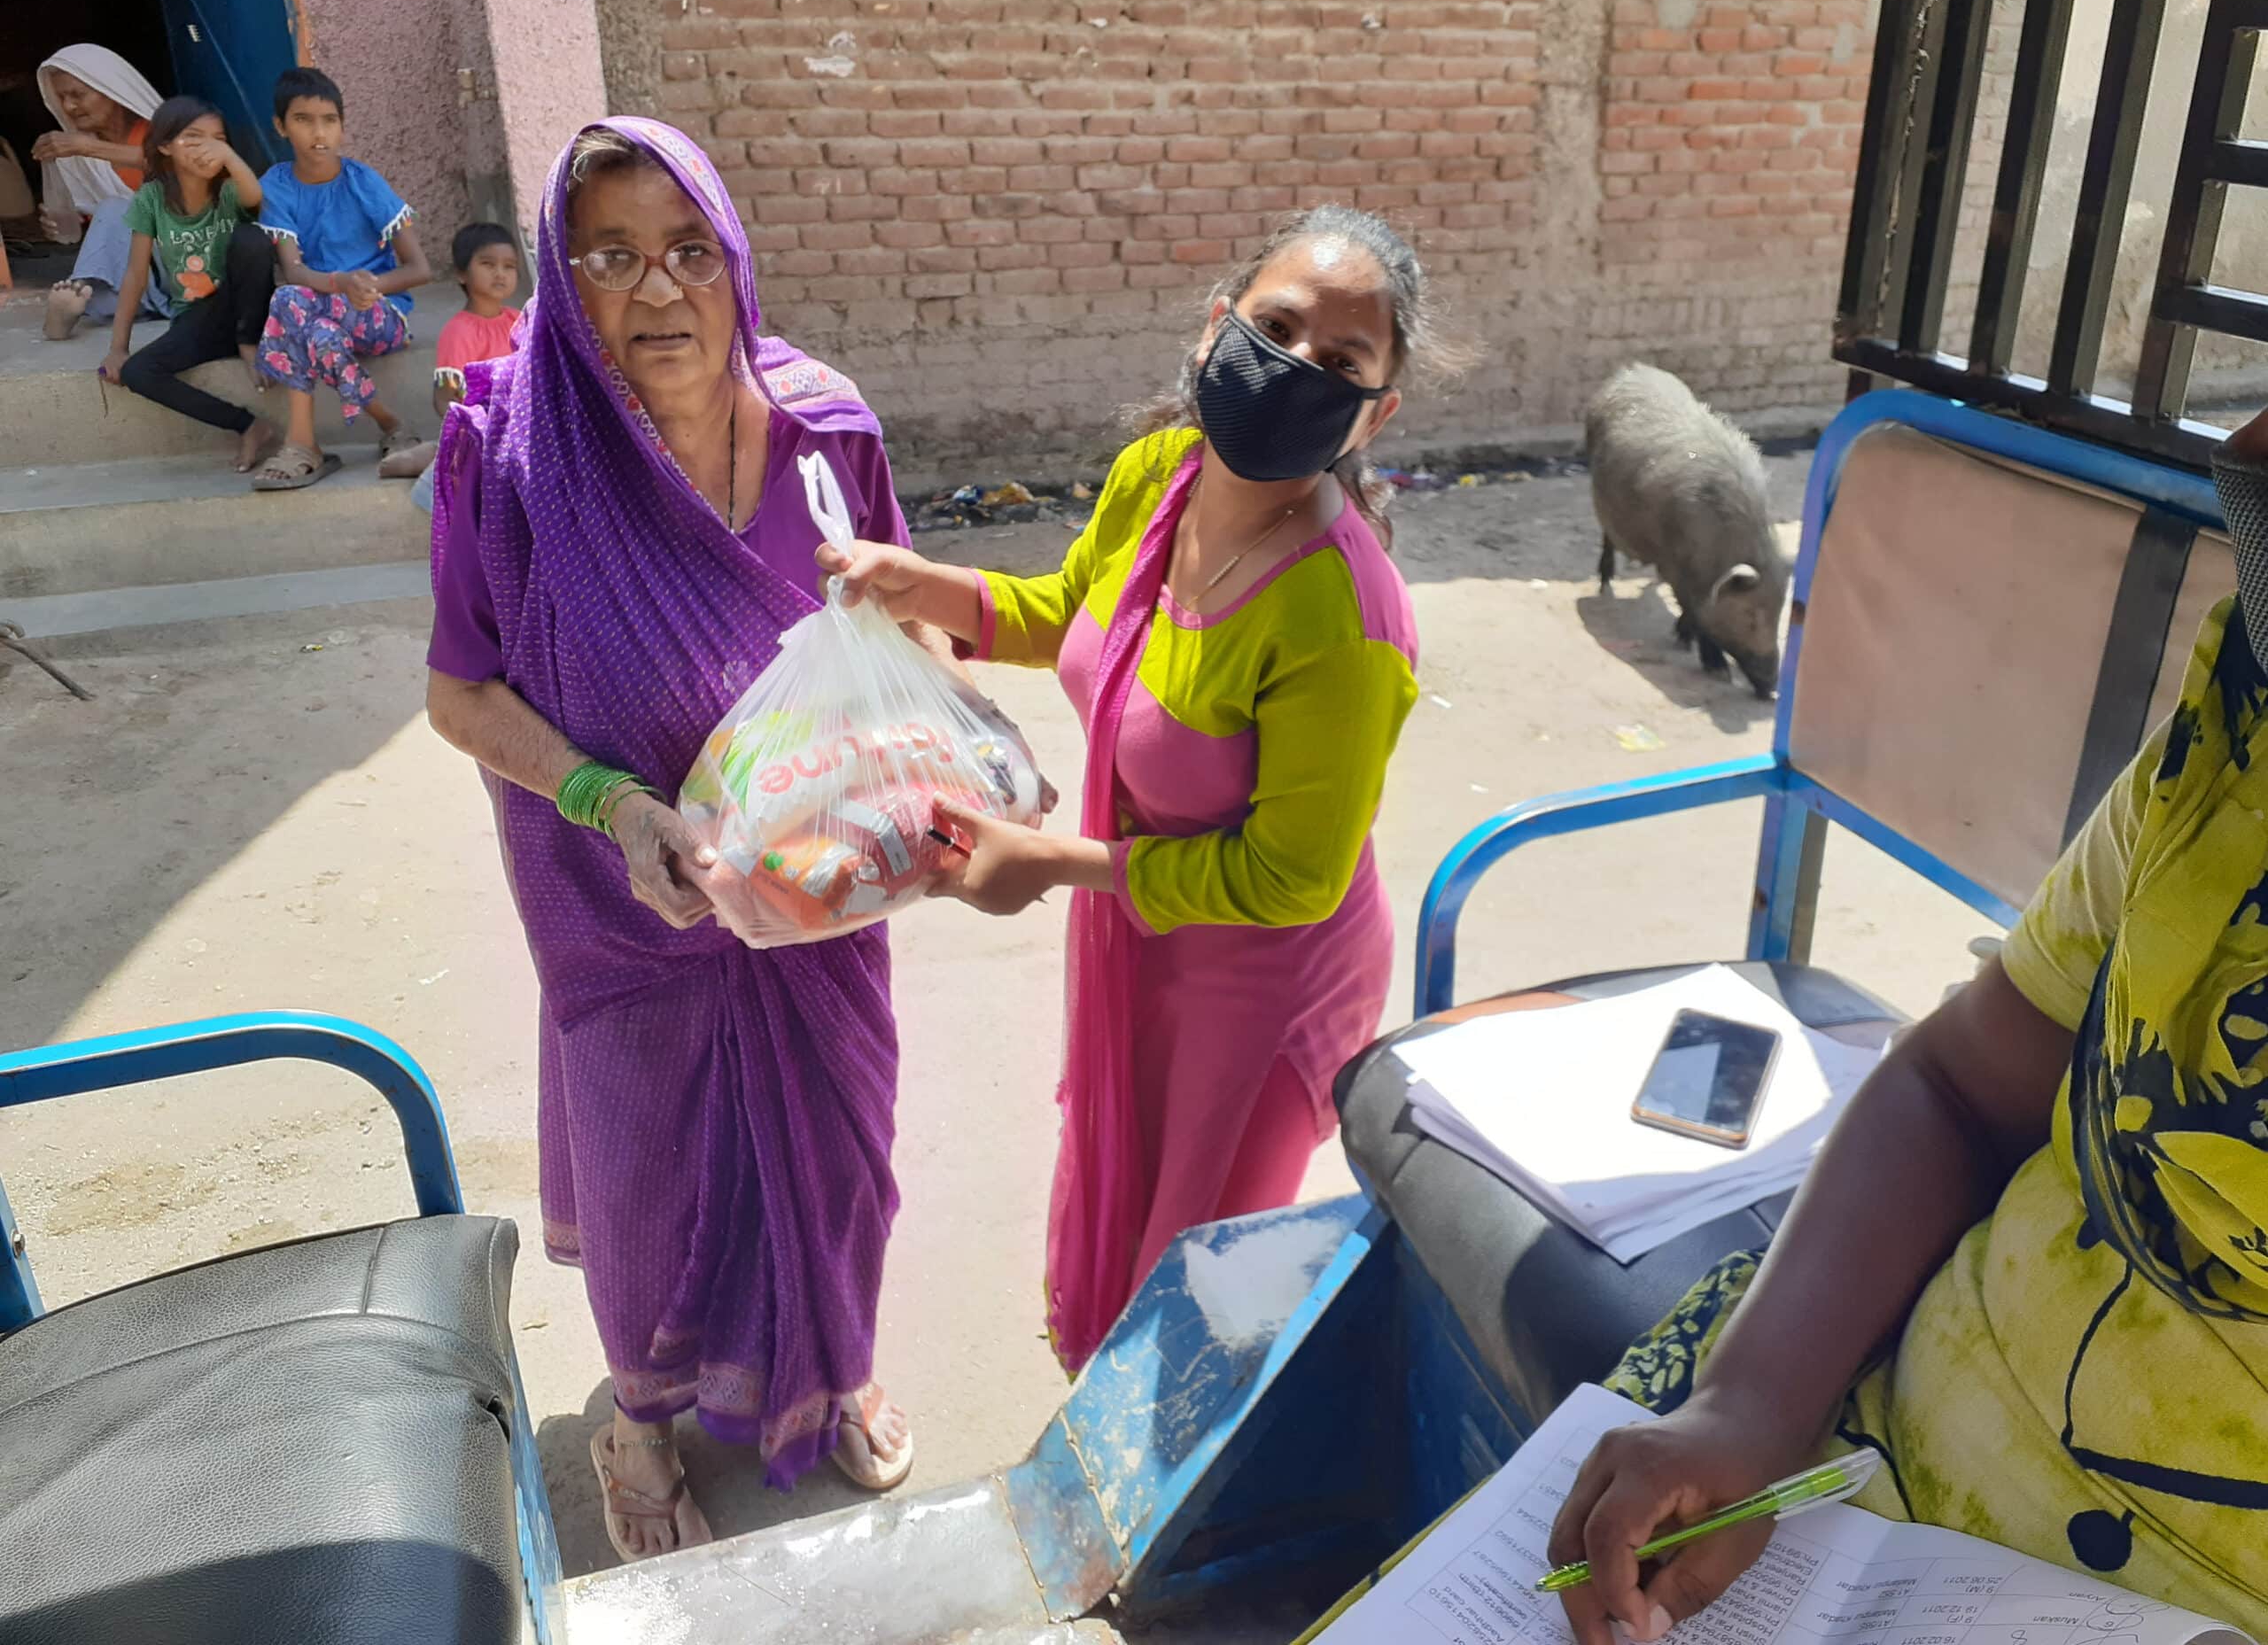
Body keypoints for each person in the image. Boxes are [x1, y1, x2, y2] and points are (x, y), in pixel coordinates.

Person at [1301, 415, 2268, 1645]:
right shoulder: (2229, 748)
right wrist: (1747, 1411)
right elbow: (1962, 1084)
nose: (2249, 445)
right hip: (1847, 1432)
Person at [423, 116, 935, 1564]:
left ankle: (833, 1366)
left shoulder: (826, 427)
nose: (657, 293)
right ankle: (640, 1423)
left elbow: (877, 622)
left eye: (687, 251)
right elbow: (462, 693)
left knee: (842, 1153)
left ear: (734, 258)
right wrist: (615, 804)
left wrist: (891, 782)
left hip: (810, 887)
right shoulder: (507, 451)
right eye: (612, 258)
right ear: (560, 279)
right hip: (613, 890)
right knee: (653, 1168)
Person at [824, 205, 1439, 1373]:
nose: (1297, 367)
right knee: (1119, 1210)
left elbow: (1290, 877)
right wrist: (926, 585)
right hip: (1142, 935)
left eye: (1342, 362)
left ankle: (1173, 1530)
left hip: (1261, 986)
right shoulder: (1162, 473)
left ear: (1378, 410)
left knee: (1194, 1289)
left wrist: (1046, 863)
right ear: (1218, 327)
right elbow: (1073, 613)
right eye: (1277, 326)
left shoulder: (1341, 615)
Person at [252, 68, 431, 491]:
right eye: (303, 119)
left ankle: (302, 445)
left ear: (342, 128)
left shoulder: (362, 181)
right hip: (322, 311)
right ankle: (390, 426)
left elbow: (419, 269)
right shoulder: (276, 185)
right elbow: (293, 270)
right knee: (312, 326)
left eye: (329, 120)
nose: (319, 132)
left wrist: (369, 288)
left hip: (380, 315)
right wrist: (340, 283)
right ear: (280, 126)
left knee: (291, 304)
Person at [101, 97, 280, 473]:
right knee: (138, 372)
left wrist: (229, 158)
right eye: (194, 137)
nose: (209, 147)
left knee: (252, 239)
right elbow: (135, 272)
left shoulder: (229, 190)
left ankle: (248, 343)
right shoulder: (151, 198)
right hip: (198, 319)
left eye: (218, 139)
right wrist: (119, 347)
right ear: (164, 145)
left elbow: (254, 197)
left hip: (250, 311)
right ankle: (248, 425)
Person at [33, 44, 166, 339]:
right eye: (61, 97)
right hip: (134, 270)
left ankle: (83, 296)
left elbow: (183, 166)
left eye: (78, 95)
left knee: (115, 207)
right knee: (111, 212)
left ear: (111, 90)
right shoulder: (75, 153)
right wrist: (72, 223)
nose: (69, 107)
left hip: (182, 255)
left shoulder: (163, 131)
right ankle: (73, 307)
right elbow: (100, 231)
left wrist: (89, 148)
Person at [397, 221, 523, 500]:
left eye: (509, 266)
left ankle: (430, 452)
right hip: (481, 433)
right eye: (488, 264)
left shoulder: (520, 321)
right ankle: (430, 456)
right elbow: (444, 398)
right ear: (462, 274)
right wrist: (476, 428)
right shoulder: (460, 332)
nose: (500, 273)